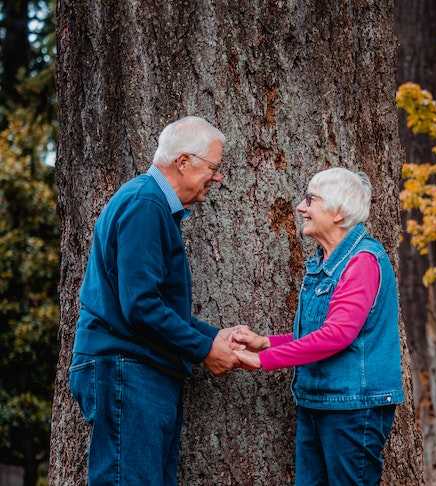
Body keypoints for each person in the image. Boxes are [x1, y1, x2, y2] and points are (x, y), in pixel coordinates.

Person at [68, 116, 244, 485]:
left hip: (137, 369)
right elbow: (141, 307)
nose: (217, 177)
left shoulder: (152, 205)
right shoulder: (145, 204)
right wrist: (204, 349)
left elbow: (154, 304)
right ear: (183, 162)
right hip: (127, 368)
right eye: (214, 167)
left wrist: (214, 338)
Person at [233, 167, 404, 486]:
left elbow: (337, 336)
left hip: (352, 409)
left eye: (310, 200)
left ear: (338, 213)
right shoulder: (326, 261)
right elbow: (323, 333)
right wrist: (268, 343)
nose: (301, 207)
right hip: (319, 402)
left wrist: (264, 361)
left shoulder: (362, 262)